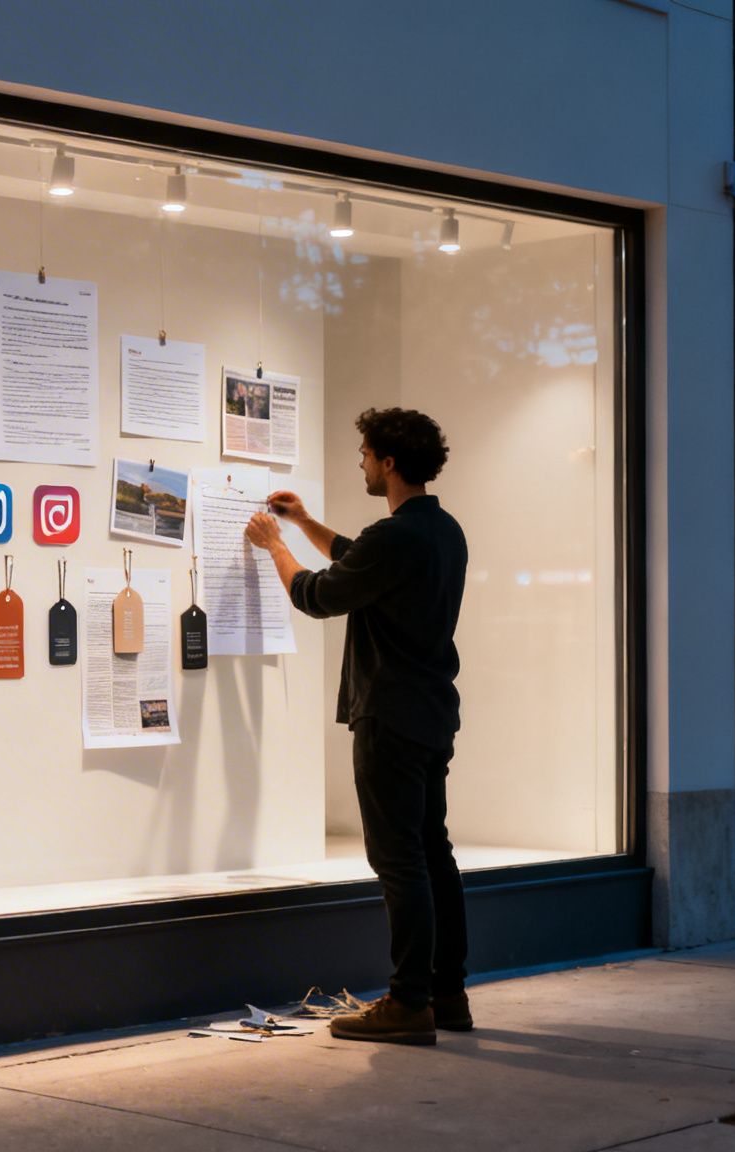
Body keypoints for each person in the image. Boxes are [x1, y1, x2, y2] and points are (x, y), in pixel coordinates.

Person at [242, 406, 469, 1047]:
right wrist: (306, 521)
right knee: (432, 853)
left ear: (388, 462)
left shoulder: (395, 537)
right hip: (430, 712)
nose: (362, 464)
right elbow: (359, 561)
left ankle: (407, 1002)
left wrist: (276, 545)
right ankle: (447, 994)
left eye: (366, 454)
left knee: (399, 861)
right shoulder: (443, 531)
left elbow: (318, 595)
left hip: (389, 715)